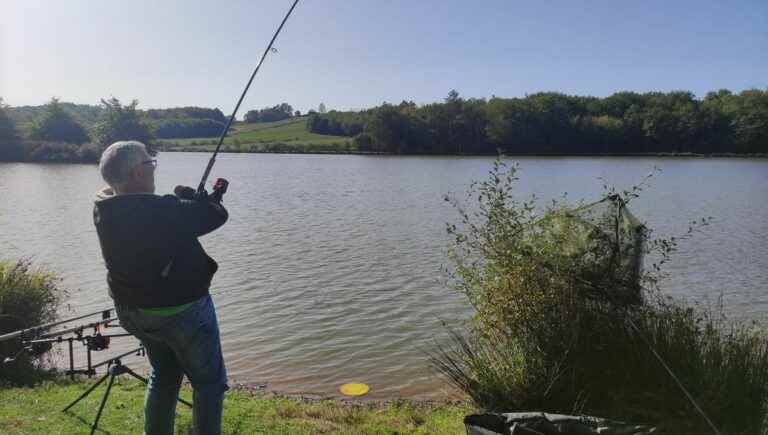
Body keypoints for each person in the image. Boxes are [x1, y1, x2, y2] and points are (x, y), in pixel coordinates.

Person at [93, 140, 229, 435]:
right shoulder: (163, 211)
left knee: (165, 375)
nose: (153, 169)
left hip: (133, 312)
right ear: (135, 174)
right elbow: (216, 215)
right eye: (149, 163)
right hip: (181, 311)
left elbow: (173, 217)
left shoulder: (104, 209)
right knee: (209, 383)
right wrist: (202, 200)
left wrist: (189, 204)